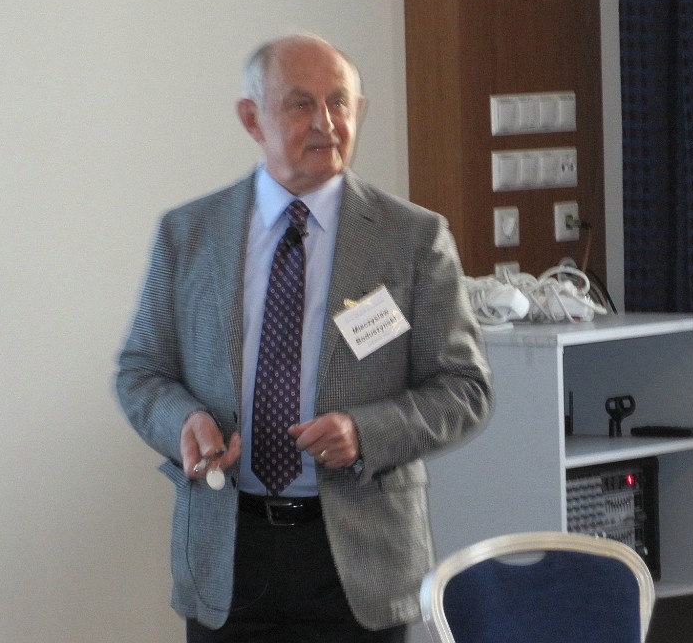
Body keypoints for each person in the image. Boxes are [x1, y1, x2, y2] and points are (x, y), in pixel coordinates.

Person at [115, 33, 493, 642]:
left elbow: (464, 388)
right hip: (227, 554)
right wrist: (183, 421)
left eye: (339, 102)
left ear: (358, 111)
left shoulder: (412, 239)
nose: (325, 122)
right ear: (251, 119)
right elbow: (141, 371)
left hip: (361, 563)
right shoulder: (189, 235)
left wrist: (365, 432)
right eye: (300, 104)